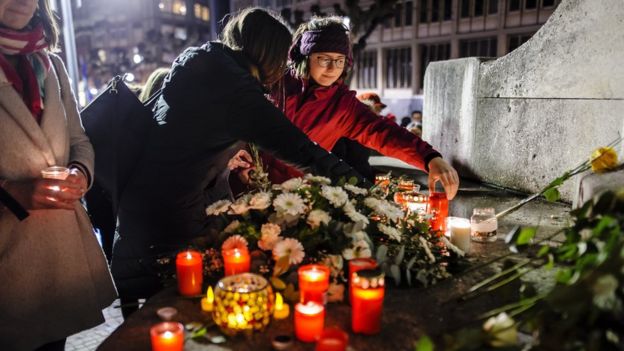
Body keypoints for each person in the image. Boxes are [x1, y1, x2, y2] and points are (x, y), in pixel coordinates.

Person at [112, 8, 367, 317]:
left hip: (136, 217)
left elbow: (182, 141)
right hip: (173, 228)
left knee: (150, 324)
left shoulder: (197, 66)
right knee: (184, 319)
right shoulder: (235, 91)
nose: (284, 67)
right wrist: (364, 191)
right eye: (282, 58)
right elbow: (301, 150)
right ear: (269, 54)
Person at [0, 0, 117, 350]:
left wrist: (81, 172)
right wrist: (13, 193)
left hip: (57, 261)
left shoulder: (50, 65)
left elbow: (79, 140)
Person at [281, 16, 459, 198]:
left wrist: (429, 158)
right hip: (254, 187)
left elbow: (383, 132)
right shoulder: (276, 84)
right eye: (323, 59)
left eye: (339, 60)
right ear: (306, 57)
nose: (332, 68)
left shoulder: (342, 106)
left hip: (296, 196)